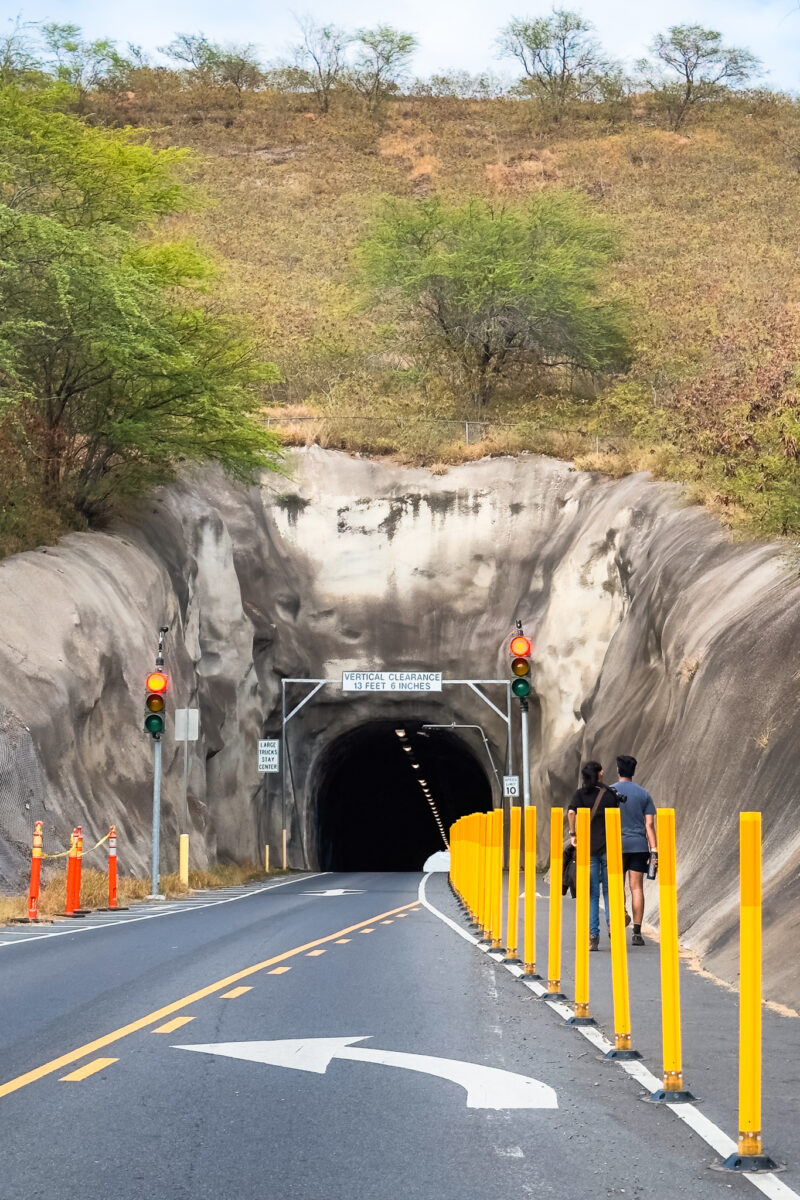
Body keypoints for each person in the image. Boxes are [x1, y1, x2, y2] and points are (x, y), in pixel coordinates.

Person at [567, 761, 623, 951]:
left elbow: (571, 813)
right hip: (608, 848)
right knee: (609, 891)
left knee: (592, 894)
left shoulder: (580, 794)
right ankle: (612, 927)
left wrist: (573, 834)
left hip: (589, 850)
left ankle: (593, 936)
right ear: (600, 774)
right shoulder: (609, 794)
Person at [613, 754, 657, 947]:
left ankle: (621, 912)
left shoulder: (611, 792)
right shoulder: (643, 794)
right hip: (639, 846)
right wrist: (654, 849)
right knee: (636, 887)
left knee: (617, 886)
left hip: (616, 845)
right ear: (633, 771)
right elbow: (649, 825)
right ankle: (637, 933)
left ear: (618, 770)